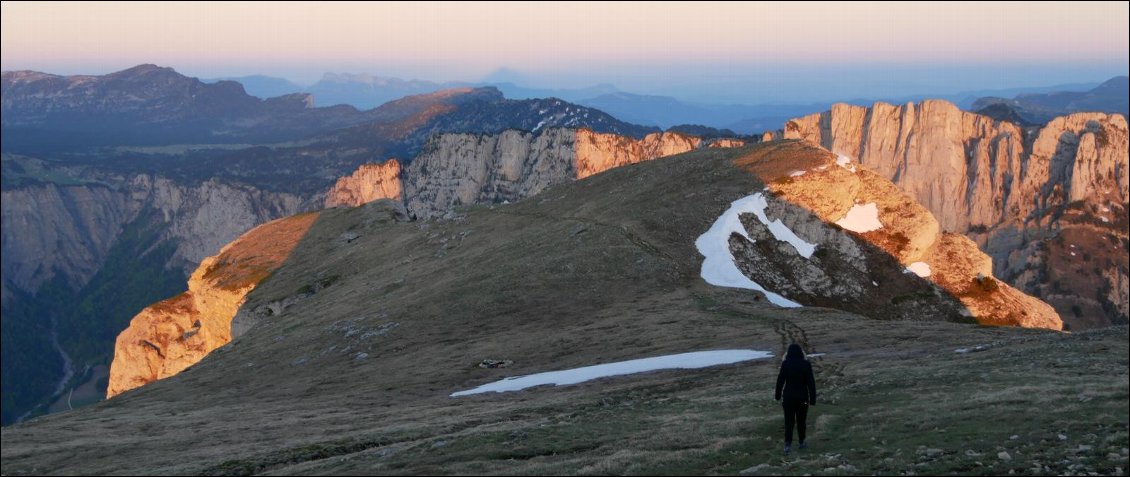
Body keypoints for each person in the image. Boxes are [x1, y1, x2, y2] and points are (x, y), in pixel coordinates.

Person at [775, 343, 816, 455]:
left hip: (788, 398)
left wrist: (777, 395)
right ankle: (801, 442)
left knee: (789, 421)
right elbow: (811, 382)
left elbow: (780, 381)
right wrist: (812, 399)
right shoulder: (806, 364)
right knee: (801, 420)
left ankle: (787, 445)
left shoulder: (785, 364)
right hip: (802, 397)